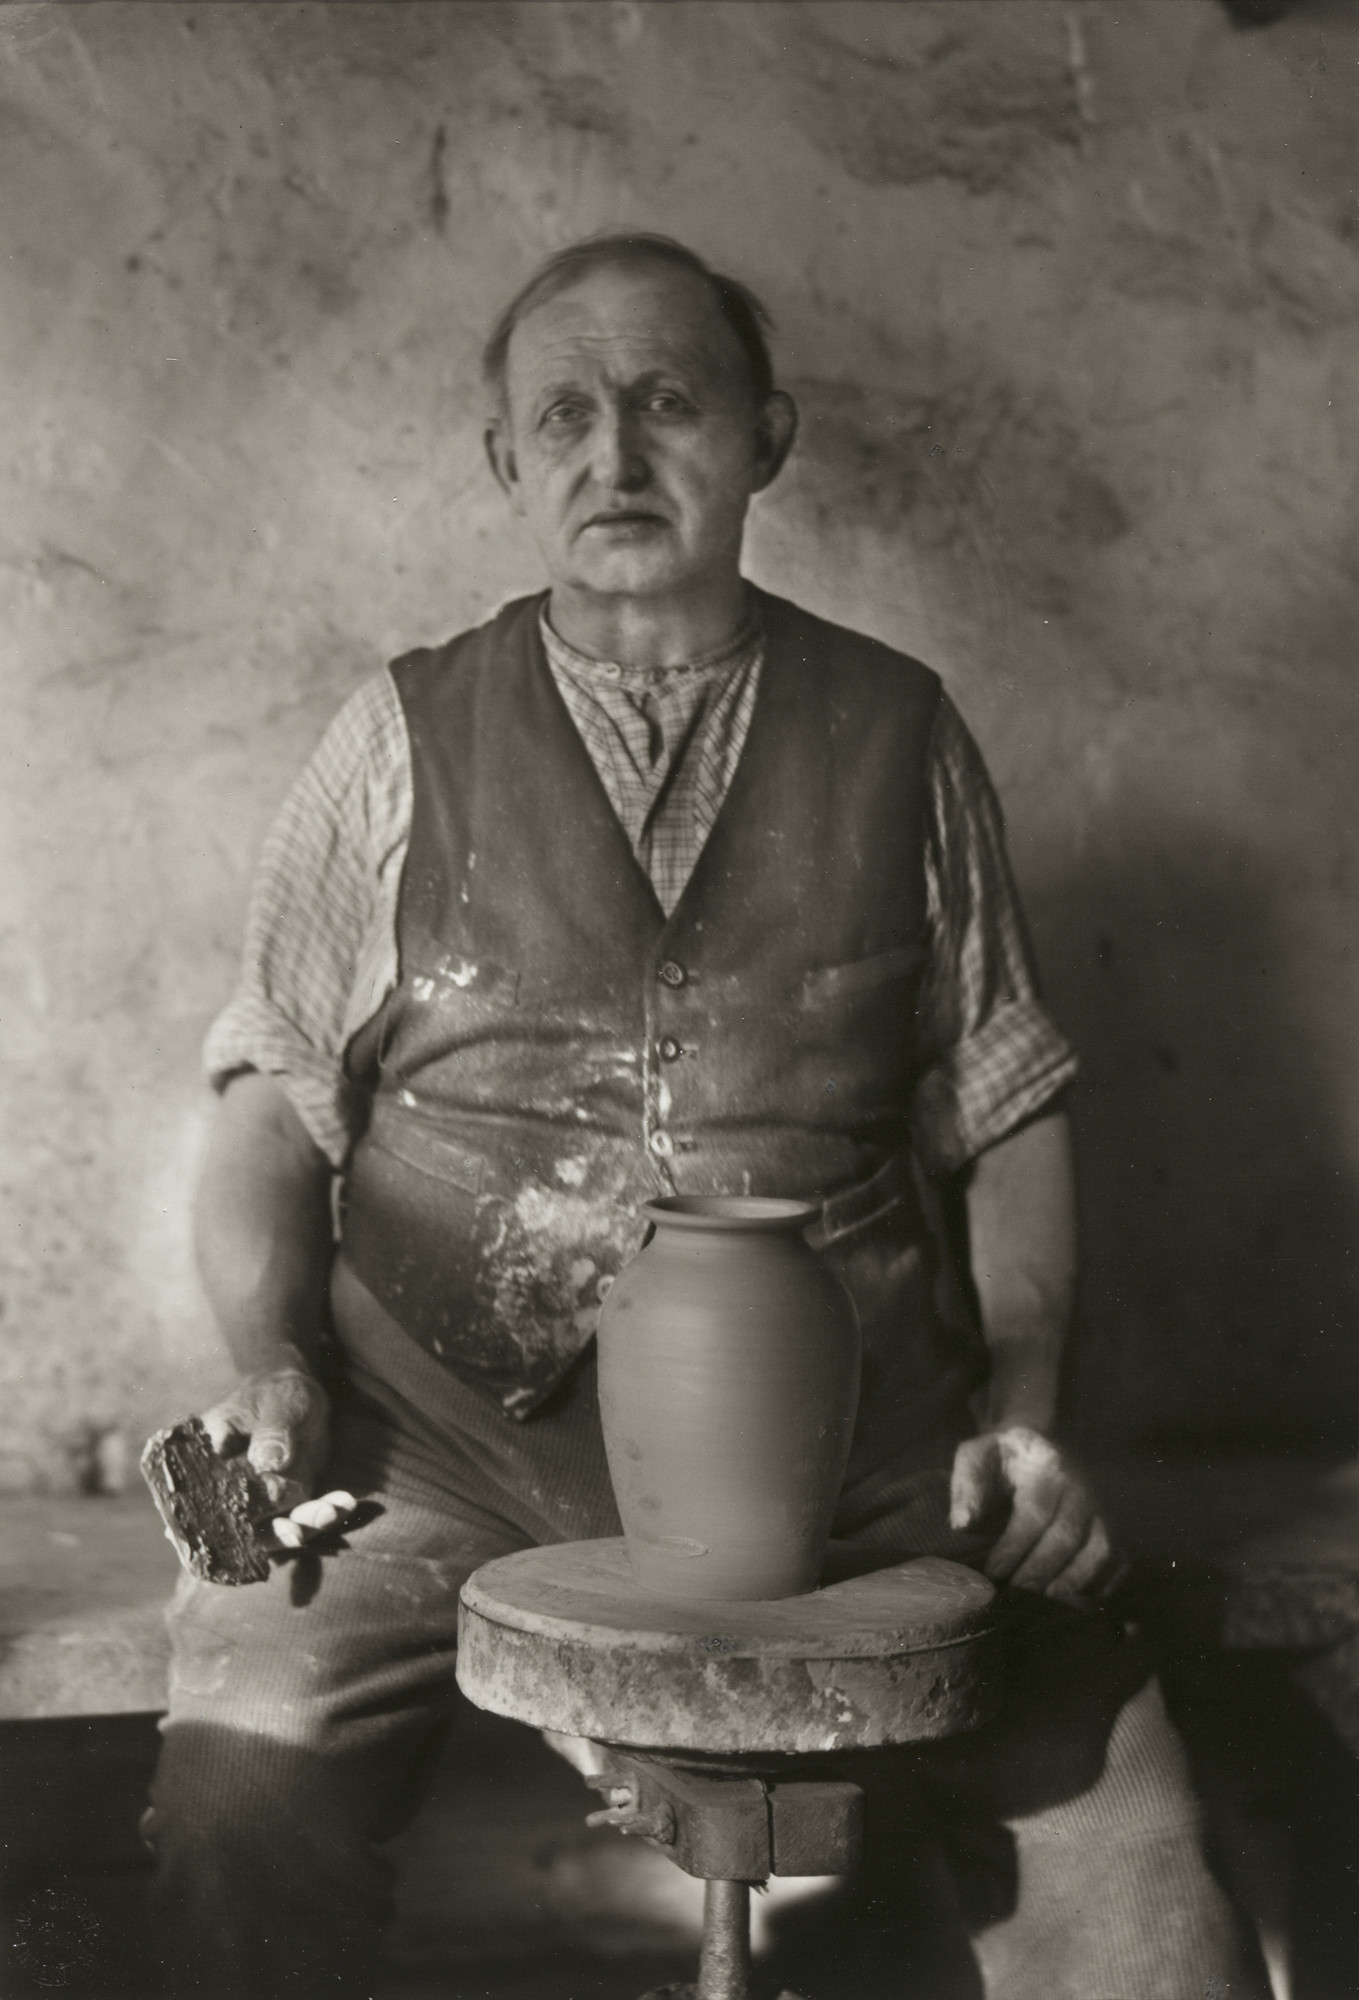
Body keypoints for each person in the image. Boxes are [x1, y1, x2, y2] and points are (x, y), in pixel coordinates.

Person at [144, 233, 1266, 1999]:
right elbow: (275, 1105)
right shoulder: (395, 736)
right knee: (241, 1771)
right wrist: (278, 1369)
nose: (617, 455)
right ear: (509, 464)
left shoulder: (901, 730)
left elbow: (1011, 1103)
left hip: (856, 1464)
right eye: (566, 415)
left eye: (670, 401)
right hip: (443, 1449)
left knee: (1124, 1838)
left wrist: (1031, 1423)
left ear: (768, 436)